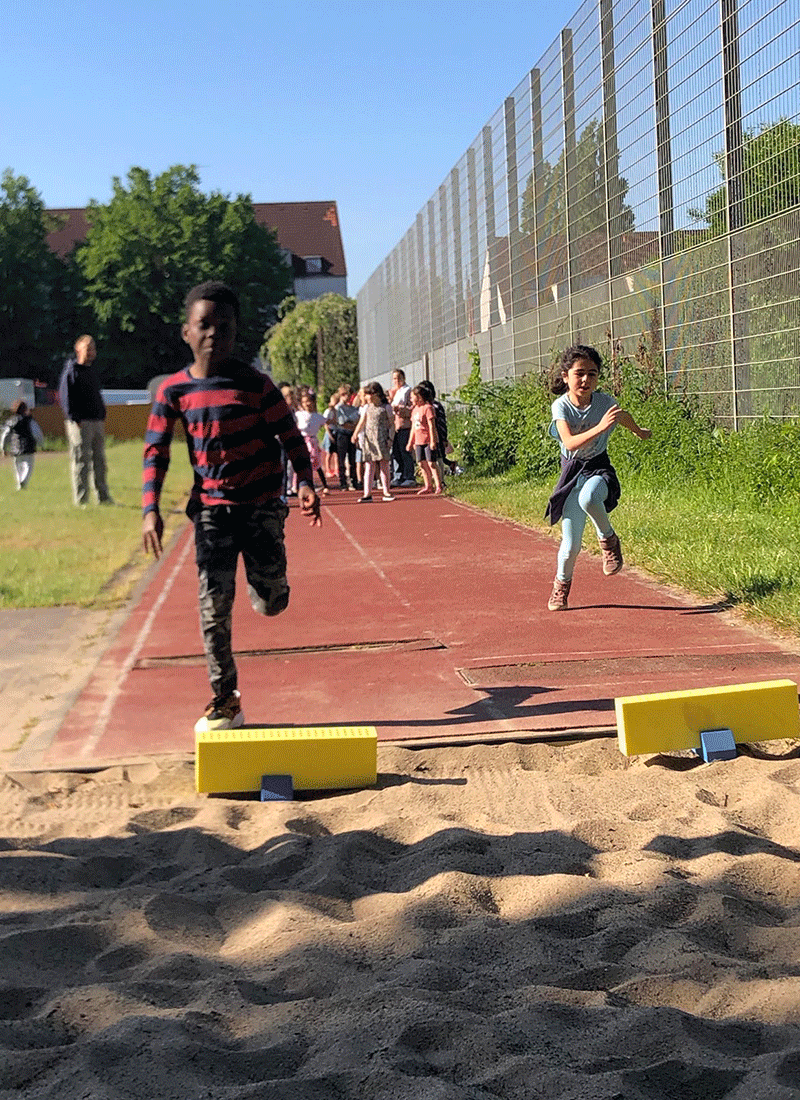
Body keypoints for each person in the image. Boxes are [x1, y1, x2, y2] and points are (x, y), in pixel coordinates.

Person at [142, 281, 321, 733]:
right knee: (212, 607)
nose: (213, 335)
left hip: (261, 507)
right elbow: (155, 452)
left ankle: (268, 583)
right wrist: (150, 509)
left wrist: (305, 482)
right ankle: (225, 699)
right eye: (204, 325)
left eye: (224, 327)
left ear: (235, 332)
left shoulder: (256, 385)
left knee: (270, 603)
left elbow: (291, 439)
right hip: (211, 512)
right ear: (187, 331)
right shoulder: (173, 391)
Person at [544, 344, 651, 611]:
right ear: (566, 376)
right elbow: (568, 442)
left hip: (599, 469)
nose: (585, 380)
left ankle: (609, 540)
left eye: (592, 374)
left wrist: (638, 431)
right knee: (570, 546)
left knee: (590, 498)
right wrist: (601, 427)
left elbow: (621, 416)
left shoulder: (604, 402)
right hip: (572, 473)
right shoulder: (561, 407)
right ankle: (560, 588)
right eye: (579, 373)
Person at [58, 335, 114, 506]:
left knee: (100, 461)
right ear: (78, 350)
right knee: (81, 461)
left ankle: (103, 497)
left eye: (93, 348)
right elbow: (65, 397)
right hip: (80, 423)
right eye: (87, 348)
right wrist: (75, 418)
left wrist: (101, 414)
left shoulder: (91, 372)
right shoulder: (71, 371)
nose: (91, 352)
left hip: (96, 421)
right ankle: (82, 500)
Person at [350, 381, 395, 502]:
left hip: (382, 439)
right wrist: (355, 434)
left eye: (368, 394)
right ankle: (367, 494)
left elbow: (392, 425)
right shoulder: (367, 408)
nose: (365, 397)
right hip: (369, 440)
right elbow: (362, 422)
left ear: (375, 394)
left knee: (384, 466)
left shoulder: (386, 407)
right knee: (369, 467)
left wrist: (390, 439)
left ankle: (386, 491)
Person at [407, 385, 443, 495]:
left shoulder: (428, 408)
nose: (411, 399)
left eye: (412, 397)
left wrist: (433, 441)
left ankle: (439, 485)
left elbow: (432, 426)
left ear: (419, 397)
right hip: (418, 441)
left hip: (427, 440)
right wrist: (410, 442)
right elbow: (413, 427)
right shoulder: (414, 410)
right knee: (421, 464)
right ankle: (428, 485)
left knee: (431, 463)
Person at [0, 400, 44, 490]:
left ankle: (19, 483)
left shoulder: (11, 421)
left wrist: (3, 448)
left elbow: (5, 435)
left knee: (17, 467)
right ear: (25, 409)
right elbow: (37, 433)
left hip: (15, 448)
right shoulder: (30, 420)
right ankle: (23, 481)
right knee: (28, 466)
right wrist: (41, 443)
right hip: (28, 447)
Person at [294, 390, 328, 494]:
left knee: (316, 463)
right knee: (300, 463)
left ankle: (325, 485)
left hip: (312, 441)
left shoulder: (317, 416)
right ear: (301, 404)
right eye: (304, 402)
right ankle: (296, 486)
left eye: (309, 401)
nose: (307, 404)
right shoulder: (299, 414)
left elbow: (328, 421)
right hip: (302, 441)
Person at [388, 369, 415, 486]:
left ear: (403, 378)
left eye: (399, 378)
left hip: (404, 425)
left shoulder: (407, 390)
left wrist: (402, 409)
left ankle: (409, 476)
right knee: (396, 452)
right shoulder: (396, 392)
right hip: (395, 426)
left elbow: (412, 407)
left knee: (405, 451)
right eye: (394, 378)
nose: (396, 381)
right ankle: (399, 475)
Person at [333, 385, 361, 490]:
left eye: (349, 395)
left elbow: (357, 421)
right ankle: (343, 482)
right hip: (342, 435)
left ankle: (354, 481)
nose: (347, 397)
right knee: (341, 459)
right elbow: (342, 423)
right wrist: (351, 424)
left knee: (352, 459)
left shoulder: (353, 408)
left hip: (352, 434)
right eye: (345, 395)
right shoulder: (338, 408)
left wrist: (352, 424)